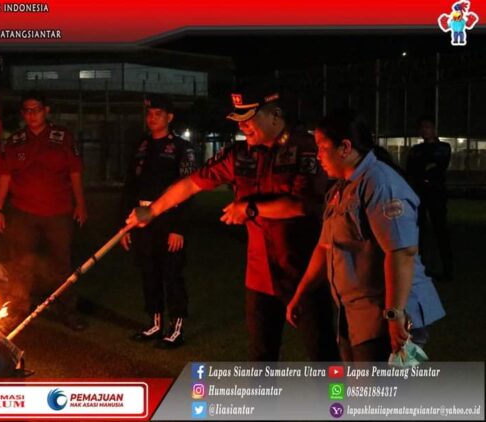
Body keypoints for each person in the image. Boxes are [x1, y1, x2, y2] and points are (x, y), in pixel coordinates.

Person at [127, 88, 338, 362]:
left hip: (305, 274)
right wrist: (152, 211)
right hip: (260, 276)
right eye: (239, 119)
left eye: (250, 118)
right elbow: (192, 183)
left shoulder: (307, 148)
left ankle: (335, 406)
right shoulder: (240, 154)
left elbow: (303, 205)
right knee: (260, 357)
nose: (242, 125)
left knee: (323, 356)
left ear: (275, 116)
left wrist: (249, 208)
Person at [286, 109, 446, 362]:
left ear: (345, 147)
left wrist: (395, 315)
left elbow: (401, 252)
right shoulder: (342, 188)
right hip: (358, 316)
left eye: (322, 147)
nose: (318, 156)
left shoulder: (380, 184)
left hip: (387, 318)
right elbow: (326, 247)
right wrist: (301, 293)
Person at [0, 91, 88, 331]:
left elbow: (75, 172)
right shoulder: (15, 141)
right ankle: (17, 310)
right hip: (24, 212)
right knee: (21, 264)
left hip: (58, 212)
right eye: (27, 110)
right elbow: (5, 175)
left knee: (61, 264)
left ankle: (67, 310)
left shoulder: (63, 137)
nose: (31, 114)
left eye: (36, 109)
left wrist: (81, 204)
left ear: (46, 111)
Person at [120, 95, 197, 349]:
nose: (152, 118)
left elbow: (188, 190)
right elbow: (130, 187)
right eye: (150, 114)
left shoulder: (182, 148)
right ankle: (154, 323)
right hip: (142, 220)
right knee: (148, 273)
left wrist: (179, 227)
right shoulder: (141, 145)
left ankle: (176, 329)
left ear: (170, 117)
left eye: (158, 114)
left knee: (172, 275)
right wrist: (126, 225)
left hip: (169, 219)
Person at [406, 115, 453, 282]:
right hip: (420, 194)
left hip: (436, 194)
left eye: (427, 127)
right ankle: (420, 267)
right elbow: (412, 169)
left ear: (434, 129)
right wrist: (425, 169)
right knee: (419, 233)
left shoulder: (443, 147)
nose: (424, 130)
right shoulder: (416, 150)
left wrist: (423, 170)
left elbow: (438, 166)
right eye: (422, 127)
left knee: (441, 230)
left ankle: (447, 269)